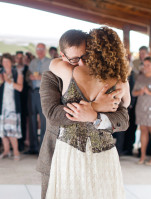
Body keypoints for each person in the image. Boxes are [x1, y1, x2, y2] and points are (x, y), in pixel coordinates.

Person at [37, 29, 130, 199]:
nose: (80, 63)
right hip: (57, 154)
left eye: (85, 56)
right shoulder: (51, 76)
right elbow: (52, 114)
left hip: (99, 155)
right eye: (74, 59)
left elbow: (123, 119)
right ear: (62, 56)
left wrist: (97, 118)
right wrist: (94, 106)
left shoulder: (109, 77)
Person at [0, 53, 23, 160]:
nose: (5, 64)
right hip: (0, 105)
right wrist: (0, 82)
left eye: (7, 62)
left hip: (12, 106)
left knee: (12, 131)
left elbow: (20, 88)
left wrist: (9, 82)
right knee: (2, 131)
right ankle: (6, 150)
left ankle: (16, 152)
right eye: (3, 62)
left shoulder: (17, 72)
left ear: (12, 62)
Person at [25, 43, 51, 155]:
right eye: (38, 49)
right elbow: (27, 76)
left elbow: (54, 77)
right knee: (32, 120)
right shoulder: (33, 62)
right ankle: (33, 147)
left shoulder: (50, 62)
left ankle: (43, 149)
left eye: (41, 49)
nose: (39, 51)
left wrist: (42, 77)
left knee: (44, 120)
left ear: (45, 50)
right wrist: (30, 78)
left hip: (44, 93)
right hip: (33, 92)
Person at [132, 56, 151, 166]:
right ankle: (142, 156)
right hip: (141, 106)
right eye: (144, 65)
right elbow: (133, 93)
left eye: (148, 65)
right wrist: (140, 91)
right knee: (143, 130)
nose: (146, 67)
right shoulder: (140, 77)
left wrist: (149, 92)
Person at [15, 51, 30, 151]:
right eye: (18, 58)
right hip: (14, 98)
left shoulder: (27, 69)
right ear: (15, 59)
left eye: (21, 58)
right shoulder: (12, 69)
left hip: (24, 98)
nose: (19, 60)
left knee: (23, 120)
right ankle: (14, 142)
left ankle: (22, 142)